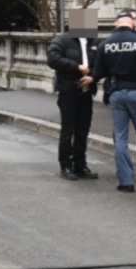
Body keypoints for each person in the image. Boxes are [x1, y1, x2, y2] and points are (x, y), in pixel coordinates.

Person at [94, 9, 136, 192]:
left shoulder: (105, 45)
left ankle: (126, 181)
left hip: (116, 92)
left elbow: (98, 72)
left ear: (116, 24)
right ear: (132, 24)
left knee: (121, 137)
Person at [46, 10, 99, 180]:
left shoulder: (93, 41)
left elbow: (100, 63)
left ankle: (80, 164)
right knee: (68, 129)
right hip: (68, 91)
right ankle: (65, 165)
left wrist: (92, 76)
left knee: (83, 130)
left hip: (86, 92)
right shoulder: (62, 39)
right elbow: (53, 59)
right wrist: (76, 67)